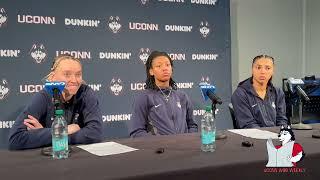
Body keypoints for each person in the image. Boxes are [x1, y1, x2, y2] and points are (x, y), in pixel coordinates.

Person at [8, 55, 103, 150]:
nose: (74, 80)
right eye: (67, 74)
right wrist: (66, 130)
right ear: (53, 77)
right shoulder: (44, 95)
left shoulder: (86, 93)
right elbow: (16, 139)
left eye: (78, 74)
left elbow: (95, 133)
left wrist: (47, 134)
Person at [129, 51, 198, 137]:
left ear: (171, 69)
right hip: (158, 149)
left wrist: (188, 140)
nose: (165, 68)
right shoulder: (144, 97)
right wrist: (158, 142)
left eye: (167, 65)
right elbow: (136, 132)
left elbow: (192, 125)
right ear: (151, 71)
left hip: (184, 148)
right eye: (159, 66)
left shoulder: (182, 96)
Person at [231, 55, 288, 128]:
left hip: (275, 136)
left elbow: (282, 120)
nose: (263, 72)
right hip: (252, 137)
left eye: (267, 68)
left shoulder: (278, 92)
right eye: (258, 67)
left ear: (272, 71)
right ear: (252, 70)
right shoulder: (240, 94)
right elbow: (248, 125)